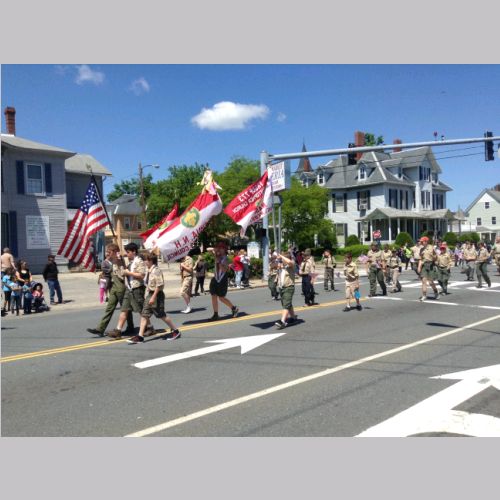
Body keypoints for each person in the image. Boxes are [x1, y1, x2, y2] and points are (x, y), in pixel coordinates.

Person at [128, 252, 181, 344]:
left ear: (151, 261)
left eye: (146, 260)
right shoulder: (149, 270)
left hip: (156, 295)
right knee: (144, 314)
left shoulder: (156, 270)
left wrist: (153, 297)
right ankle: (140, 336)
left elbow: (159, 285)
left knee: (161, 315)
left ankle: (175, 331)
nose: (144, 262)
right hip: (149, 294)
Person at [87, 244, 135, 337]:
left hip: (121, 287)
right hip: (113, 287)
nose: (108, 253)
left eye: (109, 252)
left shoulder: (120, 260)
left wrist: (119, 259)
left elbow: (123, 272)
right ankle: (100, 329)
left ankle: (130, 327)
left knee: (125, 309)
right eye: (107, 251)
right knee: (109, 308)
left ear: (114, 252)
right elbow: (106, 270)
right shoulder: (108, 261)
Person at [106, 242, 149, 340]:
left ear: (134, 251)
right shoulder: (130, 262)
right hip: (129, 288)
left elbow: (142, 275)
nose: (127, 254)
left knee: (141, 310)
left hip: (137, 288)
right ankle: (118, 330)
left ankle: (149, 327)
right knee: (124, 309)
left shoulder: (139, 261)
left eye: (128, 252)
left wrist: (128, 273)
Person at [207, 241, 239, 321]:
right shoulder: (217, 255)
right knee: (213, 295)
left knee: (221, 298)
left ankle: (234, 308)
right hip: (215, 278)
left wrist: (219, 262)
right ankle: (215, 314)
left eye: (221, 248)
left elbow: (224, 270)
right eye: (219, 248)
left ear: (224, 250)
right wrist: (215, 249)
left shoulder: (226, 258)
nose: (219, 249)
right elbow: (208, 249)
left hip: (222, 279)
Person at [274, 248, 298, 329]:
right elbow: (272, 266)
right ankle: (293, 317)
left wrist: (281, 256)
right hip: (281, 287)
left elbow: (290, 262)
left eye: (283, 259)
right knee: (287, 304)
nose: (282, 260)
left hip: (289, 287)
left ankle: (282, 321)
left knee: (286, 305)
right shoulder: (281, 266)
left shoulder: (292, 265)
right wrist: (277, 261)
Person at [417, 236, 439, 301]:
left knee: (430, 282)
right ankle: (424, 295)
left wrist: (434, 256)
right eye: (421, 242)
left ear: (426, 241)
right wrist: (419, 267)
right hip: (424, 265)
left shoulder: (432, 248)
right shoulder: (421, 249)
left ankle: (436, 292)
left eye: (422, 241)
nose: (421, 242)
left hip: (431, 265)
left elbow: (436, 257)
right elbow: (421, 259)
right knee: (424, 281)